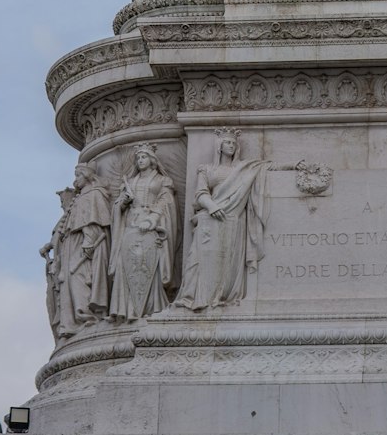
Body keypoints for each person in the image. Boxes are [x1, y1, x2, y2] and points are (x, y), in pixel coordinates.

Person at [177, 128, 269, 311]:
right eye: (228, 142)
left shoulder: (243, 168)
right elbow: (200, 194)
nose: (232, 146)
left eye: (234, 143)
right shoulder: (207, 169)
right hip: (210, 219)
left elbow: (267, 167)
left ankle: (222, 297)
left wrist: (292, 166)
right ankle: (195, 296)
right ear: (219, 146)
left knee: (228, 261)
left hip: (233, 219)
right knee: (197, 260)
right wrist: (212, 206)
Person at [109, 143, 179, 321]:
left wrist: (153, 219)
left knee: (149, 266)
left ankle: (152, 307)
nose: (140, 160)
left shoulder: (162, 181)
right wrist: (123, 201)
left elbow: (167, 202)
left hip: (150, 227)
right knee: (126, 265)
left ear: (152, 160)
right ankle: (126, 310)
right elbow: (118, 206)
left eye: (144, 157)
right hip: (131, 227)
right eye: (138, 158)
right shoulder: (130, 182)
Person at [57, 163, 112, 337]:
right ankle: (72, 322)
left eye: (78, 175)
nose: (75, 181)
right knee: (68, 279)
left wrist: (89, 242)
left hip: (84, 245)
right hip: (73, 244)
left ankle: (86, 316)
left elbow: (93, 222)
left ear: (87, 176)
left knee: (78, 278)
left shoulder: (94, 195)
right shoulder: (82, 197)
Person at [39, 187, 73, 340]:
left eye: (63, 201)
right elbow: (57, 239)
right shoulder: (65, 218)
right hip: (58, 266)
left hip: (68, 264)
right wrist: (49, 246)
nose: (61, 205)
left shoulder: (73, 214)